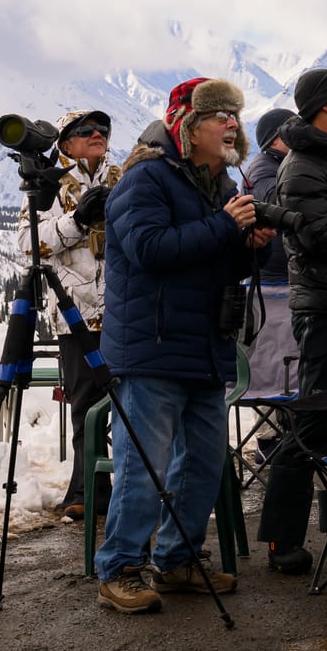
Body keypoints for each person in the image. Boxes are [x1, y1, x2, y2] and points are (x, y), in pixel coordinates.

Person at [93, 78, 273, 613]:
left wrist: (248, 247)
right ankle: (119, 568)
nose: (231, 125)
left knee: (202, 463)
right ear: (188, 127)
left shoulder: (216, 186)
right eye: (219, 116)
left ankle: (176, 561)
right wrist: (224, 225)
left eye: (234, 116)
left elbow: (212, 258)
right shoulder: (144, 181)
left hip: (202, 345)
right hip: (152, 347)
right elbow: (150, 250)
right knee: (143, 465)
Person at [256, 68, 327, 572]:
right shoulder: (302, 166)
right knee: (313, 420)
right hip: (326, 308)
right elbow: (315, 238)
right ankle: (282, 540)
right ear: (326, 106)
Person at [21, 110, 116, 520]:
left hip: (123, 308)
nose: (97, 136)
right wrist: (76, 221)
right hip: (76, 312)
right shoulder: (50, 184)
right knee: (84, 404)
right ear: (65, 142)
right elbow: (28, 243)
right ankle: (87, 490)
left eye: (103, 131)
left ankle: (129, 482)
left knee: (132, 400)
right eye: (86, 131)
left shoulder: (124, 175)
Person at [243, 108, 294, 283]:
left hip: (282, 275)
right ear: (274, 141)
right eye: (292, 128)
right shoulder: (262, 169)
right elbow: (278, 202)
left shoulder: (278, 164)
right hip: (273, 281)